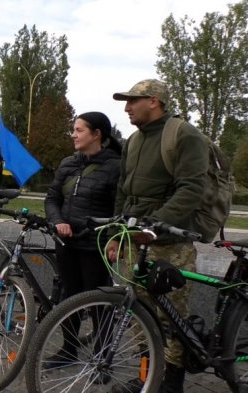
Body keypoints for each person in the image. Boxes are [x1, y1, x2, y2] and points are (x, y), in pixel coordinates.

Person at [108, 79, 208, 393]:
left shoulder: (184, 134)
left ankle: (171, 384)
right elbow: (123, 192)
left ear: (154, 101)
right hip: (134, 242)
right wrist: (117, 233)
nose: (126, 108)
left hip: (169, 245)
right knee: (140, 314)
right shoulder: (134, 141)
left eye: (132, 101)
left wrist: (156, 225)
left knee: (171, 316)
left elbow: (191, 189)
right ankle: (146, 376)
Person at [42, 111, 121, 369]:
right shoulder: (68, 163)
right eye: (73, 130)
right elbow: (52, 198)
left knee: (99, 302)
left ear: (97, 134)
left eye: (79, 130)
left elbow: (120, 208)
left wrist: (113, 239)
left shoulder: (115, 167)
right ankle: (69, 350)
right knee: (69, 298)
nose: (73, 135)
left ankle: (103, 357)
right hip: (66, 243)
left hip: (94, 245)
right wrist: (57, 222)